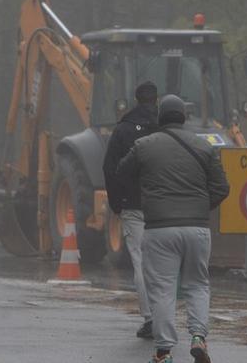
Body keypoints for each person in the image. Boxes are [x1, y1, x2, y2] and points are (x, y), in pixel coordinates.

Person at [117, 94, 230, 363]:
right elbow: (222, 188)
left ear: (160, 118)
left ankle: (164, 351)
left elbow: (122, 171)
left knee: (163, 288)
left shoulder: (143, 145)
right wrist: (200, 208)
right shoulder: (204, 147)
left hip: (159, 229)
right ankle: (199, 338)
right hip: (198, 229)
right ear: (184, 117)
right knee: (197, 285)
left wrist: (147, 193)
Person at [102, 81, 160, 339]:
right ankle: (170, 318)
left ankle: (150, 319)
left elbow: (109, 167)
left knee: (140, 262)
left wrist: (117, 203)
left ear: (136, 100)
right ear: (156, 100)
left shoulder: (123, 130)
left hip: (133, 206)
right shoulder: (168, 128)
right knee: (165, 264)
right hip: (164, 206)